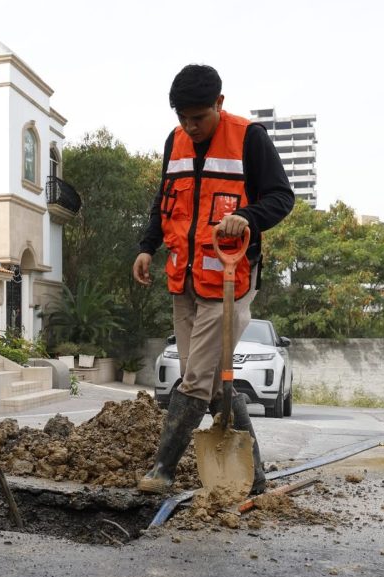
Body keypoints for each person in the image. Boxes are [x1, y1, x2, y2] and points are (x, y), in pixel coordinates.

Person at [133, 64, 294, 494]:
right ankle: (255, 479)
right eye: (182, 117)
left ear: (219, 104)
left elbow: (282, 197)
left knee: (197, 380)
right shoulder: (176, 141)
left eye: (198, 117)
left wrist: (245, 217)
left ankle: (161, 469)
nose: (190, 126)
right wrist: (147, 245)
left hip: (230, 278)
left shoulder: (249, 138)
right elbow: (164, 200)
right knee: (208, 380)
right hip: (184, 280)